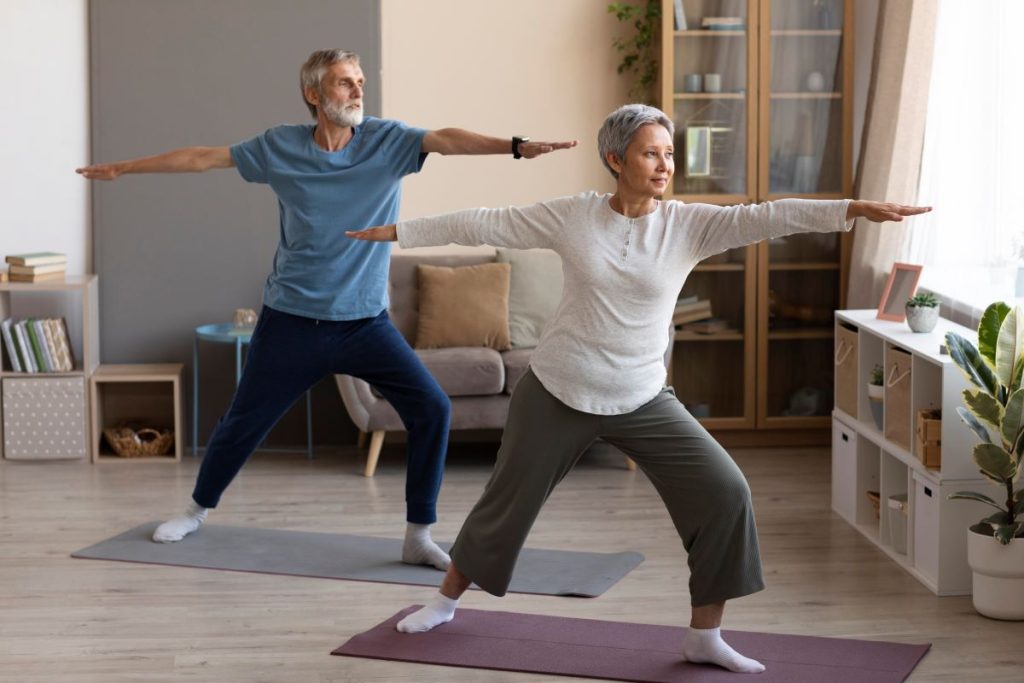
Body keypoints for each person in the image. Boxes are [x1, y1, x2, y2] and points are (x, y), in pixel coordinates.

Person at [346, 103, 931, 672]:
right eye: (650, 152)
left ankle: (706, 636)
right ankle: (444, 603)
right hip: (557, 389)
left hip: (643, 396)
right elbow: (483, 221)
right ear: (614, 158)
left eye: (669, 153)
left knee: (725, 492)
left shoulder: (689, 225)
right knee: (507, 501)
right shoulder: (573, 216)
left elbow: (768, 215)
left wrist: (851, 209)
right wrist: (399, 230)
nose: (664, 164)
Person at [76, 48, 577, 570]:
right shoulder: (280, 147)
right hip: (291, 320)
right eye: (344, 83)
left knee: (432, 408)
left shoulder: (388, 141)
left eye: (359, 81)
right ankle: (196, 511)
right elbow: (204, 157)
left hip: (364, 323)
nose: (358, 90)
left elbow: (447, 140)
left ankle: (417, 535)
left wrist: (515, 147)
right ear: (314, 94)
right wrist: (124, 168)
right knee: (242, 423)